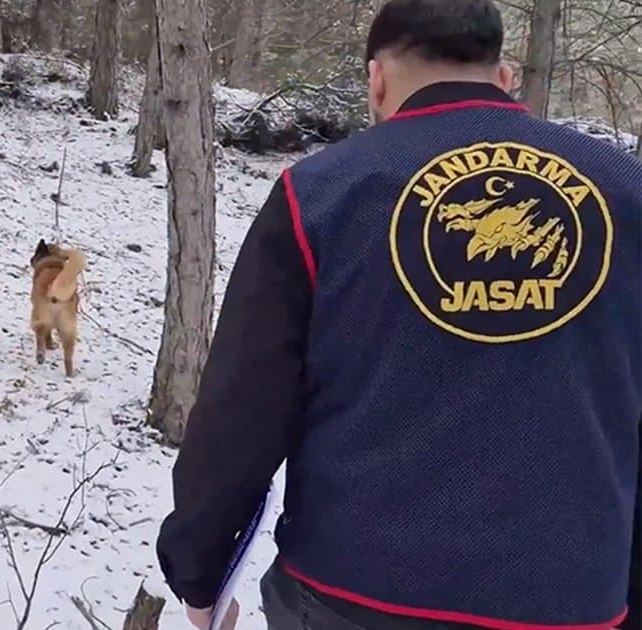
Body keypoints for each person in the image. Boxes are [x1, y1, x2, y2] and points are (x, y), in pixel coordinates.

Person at [155, 0, 642, 628]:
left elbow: (241, 407)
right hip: (570, 599)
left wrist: (202, 571)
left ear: (376, 80)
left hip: (352, 593)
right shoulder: (626, 192)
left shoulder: (322, 194)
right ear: (504, 76)